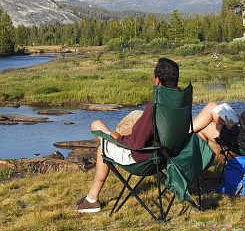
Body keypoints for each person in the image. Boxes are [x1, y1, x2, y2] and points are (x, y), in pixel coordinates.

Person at [76, 57, 180, 213]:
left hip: (144, 159)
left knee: (101, 148)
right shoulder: (179, 99)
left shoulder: (157, 104)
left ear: (157, 80)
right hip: (167, 156)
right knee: (97, 125)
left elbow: (137, 143)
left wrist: (118, 138)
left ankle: (92, 200)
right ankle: (90, 198)